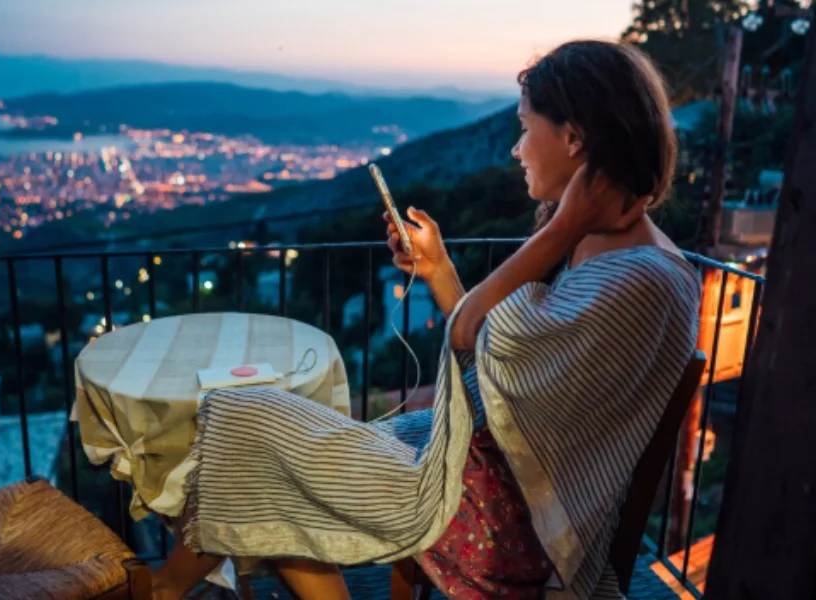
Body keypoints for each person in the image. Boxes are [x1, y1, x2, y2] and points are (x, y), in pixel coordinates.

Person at [149, 39, 701, 600]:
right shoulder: (610, 253)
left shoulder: (637, 280)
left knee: (247, 419)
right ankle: (167, 589)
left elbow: (473, 338)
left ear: (574, 139)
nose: (517, 149)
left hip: (503, 522)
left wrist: (560, 228)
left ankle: (163, 590)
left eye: (524, 128)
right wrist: (438, 269)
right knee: (264, 441)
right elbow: (498, 358)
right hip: (485, 478)